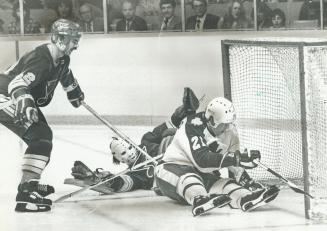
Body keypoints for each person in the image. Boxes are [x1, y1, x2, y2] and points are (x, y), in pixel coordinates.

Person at [0, 19, 84, 212]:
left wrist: (73, 91)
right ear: (60, 39)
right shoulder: (41, 58)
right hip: (5, 95)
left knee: (43, 137)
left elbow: (65, 73)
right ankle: (25, 195)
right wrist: (25, 101)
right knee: (40, 135)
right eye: (73, 40)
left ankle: (28, 185)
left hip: (17, 96)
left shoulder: (62, 58)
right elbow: (17, 84)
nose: (76, 45)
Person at [154, 97, 280, 216]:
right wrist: (237, 158)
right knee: (190, 178)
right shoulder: (193, 124)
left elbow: (232, 162)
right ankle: (200, 199)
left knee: (224, 184)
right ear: (212, 121)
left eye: (229, 123)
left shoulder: (230, 130)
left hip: (201, 173)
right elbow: (202, 160)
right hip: (170, 168)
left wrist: (245, 174)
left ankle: (245, 198)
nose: (227, 127)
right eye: (224, 124)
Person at [67, 88, 200, 194]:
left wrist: (180, 114)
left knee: (168, 133)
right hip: (176, 173)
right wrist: (109, 181)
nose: (129, 153)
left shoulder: (146, 140)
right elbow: (126, 183)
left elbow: (169, 125)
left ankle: (188, 109)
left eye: (129, 148)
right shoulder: (134, 173)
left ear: (131, 144)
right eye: (123, 154)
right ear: (120, 160)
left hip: (182, 151)